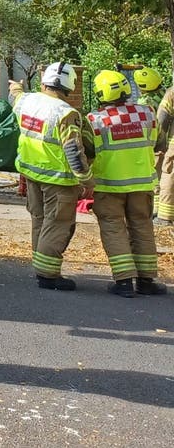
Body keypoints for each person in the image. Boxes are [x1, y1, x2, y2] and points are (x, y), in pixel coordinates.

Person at [9, 62, 95, 290]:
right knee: (57, 225)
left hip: (32, 174)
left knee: (39, 221)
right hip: (58, 180)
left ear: (45, 81)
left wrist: (16, 88)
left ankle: (40, 267)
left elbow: (15, 97)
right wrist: (86, 179)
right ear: (69, 85)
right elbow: (73, 151)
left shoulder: (26, 101)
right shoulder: (65, 113)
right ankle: (48, 275)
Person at [85, 70, 167, 297]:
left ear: (100, 93)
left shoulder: (95, 120)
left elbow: (88, 152)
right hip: (142, 185)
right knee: (142, 226)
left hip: (109, 186)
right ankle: (146, 281)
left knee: (113, 228)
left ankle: (123, 282)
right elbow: (159, 144)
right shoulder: (148, 113)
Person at [153, 80, 174, 227]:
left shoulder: (172, 92)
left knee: (169, 173)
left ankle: (164, 217)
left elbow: (162, 120)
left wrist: (158, 143)